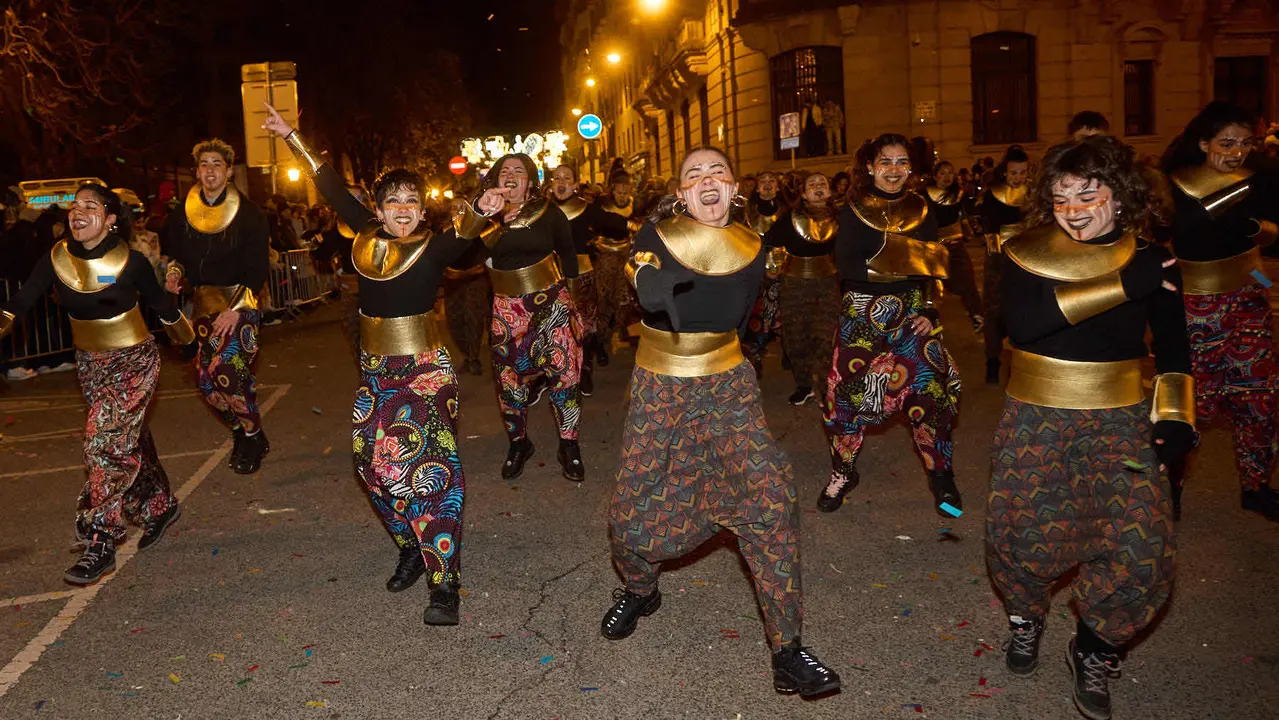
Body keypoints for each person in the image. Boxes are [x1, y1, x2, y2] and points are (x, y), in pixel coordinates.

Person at [602, 146, 840, 698]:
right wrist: (648, 289)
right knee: (631, 515)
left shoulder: (755, 247)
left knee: (769, 497)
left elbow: (750, 315)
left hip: (728, 385)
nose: (707, 181)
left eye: (718, 172)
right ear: (682, 193)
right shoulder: (656, 236)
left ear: (734, 188)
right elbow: (641, 271)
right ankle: (640, 589)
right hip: (661, 385)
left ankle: (788, 650)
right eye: (694, 175)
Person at [988, 135, 1190, 720]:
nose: (1073, 208)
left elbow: (1175, 352)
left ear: (1120, 195)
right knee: (1023, 539)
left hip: (1121, 418)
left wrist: (1177, 419)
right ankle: (1027, 617)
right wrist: (1130, 283)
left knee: (1141, 542)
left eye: (1087, 192)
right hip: (1035, 415)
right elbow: (1025, 325)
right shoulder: (1022, 251)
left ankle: (1095, 648)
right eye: (1059, 197)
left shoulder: (1152, 257)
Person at [266, 105, 475, 625]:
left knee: (435, 471)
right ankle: (410, 545)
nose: (402, 210)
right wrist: (293, 136)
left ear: (423, 210)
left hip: (426, 370)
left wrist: (487, 205)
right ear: (378, 210)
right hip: (377, 372)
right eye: (393, 202)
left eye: (412, 201)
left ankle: (443, 581)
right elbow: (331, 186)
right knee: (370, 465)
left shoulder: (435, 245)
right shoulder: (365, 235)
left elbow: (468, 233)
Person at [2, 184, 194, 584]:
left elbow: (161, 305)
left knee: (103, 443)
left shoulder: (132, 262)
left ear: (109, 219)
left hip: (134, 360)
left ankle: (100, 539)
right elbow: (22, 301)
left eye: (90, 206)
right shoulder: (56, 258)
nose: (78, 211)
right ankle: (159, 506)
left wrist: (190, 345)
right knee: (127, 439)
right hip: (89, 363)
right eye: (74, 206)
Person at [818, 133, 961, 516]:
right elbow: (848, 266)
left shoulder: (923, 208)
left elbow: (934, 267)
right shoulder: (850, 208)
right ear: (870, 166)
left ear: (911, 168)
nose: (894, 170)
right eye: (886, 162)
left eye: (902, 163)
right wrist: (905, 260)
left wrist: (929, 309)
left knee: (929, 392)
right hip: (861, 316)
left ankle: (941, 474)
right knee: (845, 399)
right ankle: (843, 471)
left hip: (912, 314)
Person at [1162, 101, 1279, 521]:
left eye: (1245, 143)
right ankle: (1169, 484)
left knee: (1259, 397)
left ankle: (1257, 485)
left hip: (1249, 293)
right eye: (1226, 142)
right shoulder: (1175, 184)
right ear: (1203, 142)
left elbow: (1272, 237)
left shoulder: (1260, 178)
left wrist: (1256, 232)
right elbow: (1165, 237)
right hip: (1197, 306)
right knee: (1195, 403)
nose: (1237, 151)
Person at [456, 154, 584, 482]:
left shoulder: (547, 211)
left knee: (565, 375)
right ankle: (519, 443)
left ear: (529, 180)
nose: (512, 175)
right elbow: (462, 256)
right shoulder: (487, 217)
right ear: (496, 180)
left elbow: (569, 255)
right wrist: (481, 215)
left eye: (519, 171)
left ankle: (569, 445)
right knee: (509, 382)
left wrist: (574, 303)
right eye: (505, 171)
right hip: (506, 309)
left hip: (553, 302)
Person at [162, 138, 272, 474]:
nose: (210, 170)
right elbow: (177, 257)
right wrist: (174, 272)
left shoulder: (250, 213)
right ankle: (242, 430)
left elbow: (258, 269)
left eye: (217, 165)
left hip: (241, 304)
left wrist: (235, 308)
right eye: (205, 165)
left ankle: (253, 436)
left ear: (229, 172)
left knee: (225, 370)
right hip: (204, 308)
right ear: (197, 171)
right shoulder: (182, 213)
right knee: (205, 383)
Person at [547, 165, 629, 395]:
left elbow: (614, 223)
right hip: (550, 278)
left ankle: (584, 370)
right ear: (551, 183)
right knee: (555, 327)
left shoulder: (587, 209)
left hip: (582, 277)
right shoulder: (542, 211)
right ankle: (555, 373)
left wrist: (638, 225)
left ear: (575, 184)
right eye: (557, 178)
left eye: (567, 178)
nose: (561, 182)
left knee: (583, 326)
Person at [764, 171, 840, 406]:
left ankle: (826, 388)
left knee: (825, 336)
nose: (818, 187)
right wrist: (772, 267)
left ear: (829, 191)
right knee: (796, 336)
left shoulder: (842, 217)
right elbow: (768, 242)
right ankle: (804, 384)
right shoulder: (790, 218)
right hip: (795, 283)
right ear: (804, 194)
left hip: (828, 282)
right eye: (812, 184)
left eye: (823, 183)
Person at [979, 145, 1031, 384]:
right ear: (1004, 173)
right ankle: (992, 361)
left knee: (1023, 311)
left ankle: (1018, 365)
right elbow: (988, 228)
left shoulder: (1033, 195)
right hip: (999, 257)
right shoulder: (993, 194)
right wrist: (996, 258)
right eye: (1013, 173)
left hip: (1027, 258)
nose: (1017, 177)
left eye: (1022, 172)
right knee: (993, 310)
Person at [927, 160, 985, 331]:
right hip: (933, 248)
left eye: (950, 173)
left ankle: (977, 316)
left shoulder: (959, 195)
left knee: (967, 280)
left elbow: (965, 216)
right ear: (936, 175)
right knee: (932, 287)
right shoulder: (925, 195)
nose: (947, 177)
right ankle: (929, 323)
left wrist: (970, 230)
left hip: (955, 246)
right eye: (943, 173)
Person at [593, 170, 644, 362]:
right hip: (605, 255)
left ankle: (617, 332)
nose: (622, 196)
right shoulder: (603, 207)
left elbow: (642, 226)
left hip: (626, 255)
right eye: (619, 192)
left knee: (623, 299)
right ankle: (601, 339)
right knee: (604, 298)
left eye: (626, 192)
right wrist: (627, 225)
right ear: (612, 191)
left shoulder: (636, 205)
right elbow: (605, 224)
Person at [742, 170, 786, 375]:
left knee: (783, 313)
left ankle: (789, 351)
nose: (767, 184)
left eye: (772, 181)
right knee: (757, 315)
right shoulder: (744, 211)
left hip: (783, 268)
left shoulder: (788, 209)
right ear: (757, 187)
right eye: (763, 182)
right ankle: (755, 355)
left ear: (778, 186)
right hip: (754, 267)